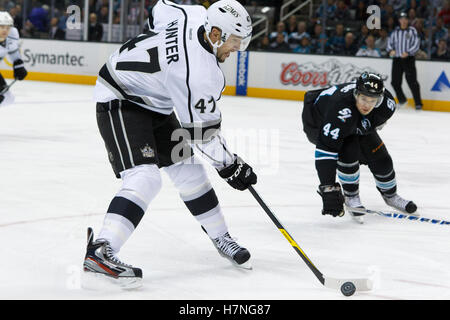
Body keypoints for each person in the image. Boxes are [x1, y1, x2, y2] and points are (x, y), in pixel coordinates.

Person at [83, 0, 256, 288]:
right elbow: (203, 136)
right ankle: (101, 249)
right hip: (119, 98)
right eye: (235, 41)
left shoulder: (194, 14)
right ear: (215, 34)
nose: (238, 48)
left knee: (191, 172)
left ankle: (221, 237)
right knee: (145, 177)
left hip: (154, 103)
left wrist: (162, 47)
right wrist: (231, 166)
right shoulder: (198, 76)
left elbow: (160, 8)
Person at [301, 72, 417, 224]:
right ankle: (352, 197)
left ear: (380, 99)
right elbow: (326, 151)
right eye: (363, 98)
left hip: (351, 120)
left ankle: (391, 196)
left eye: (372, 100)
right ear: (356, 93)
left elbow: (370, 124)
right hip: (319, 122)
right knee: (348, 151)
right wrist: (329, 188)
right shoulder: (340, 111)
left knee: (381, 158)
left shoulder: (387, 105)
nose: (366, 105)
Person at [387, 12, 423, 110]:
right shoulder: (395, 32)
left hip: (408, 59)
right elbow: (389, 43)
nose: (403, 21)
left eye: (405, 19)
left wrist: (408, 52)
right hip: (397, 60)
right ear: (399, 21)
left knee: (412, 82)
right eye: (401, 19)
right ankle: (402, 100)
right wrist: (391, 50)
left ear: (407, 20)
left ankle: (418, 104)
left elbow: (416, 44)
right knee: (395, 82)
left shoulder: (412, 31)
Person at [0, 12, 27, 107]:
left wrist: (18, 65)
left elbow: (14, 53)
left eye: (7, 27)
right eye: (2, 27)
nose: (5, 30)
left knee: (8, 98)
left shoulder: (12, 34)